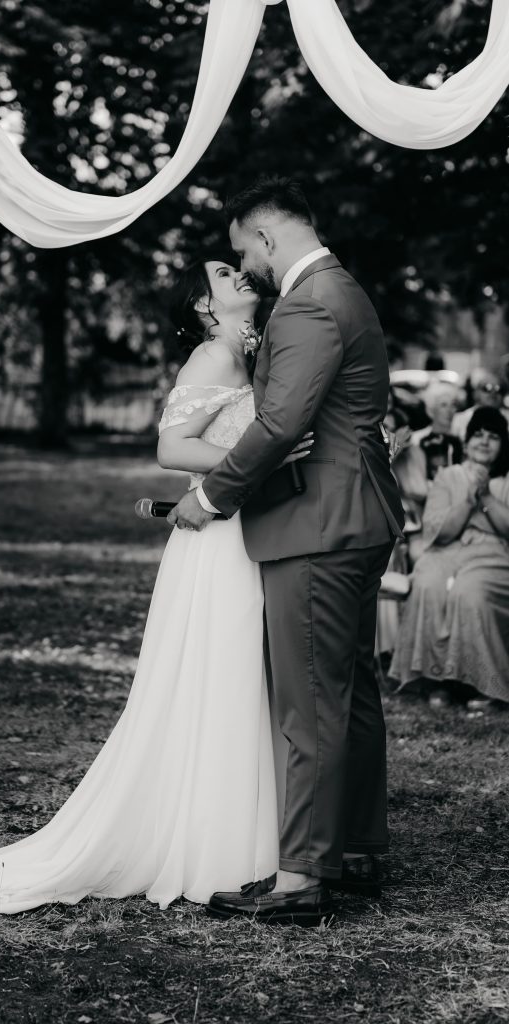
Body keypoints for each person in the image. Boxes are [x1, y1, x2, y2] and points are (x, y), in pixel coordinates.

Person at [0, 254, 311, 920]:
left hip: (237, 534)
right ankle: (220, 849)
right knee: (220, 679)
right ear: (205, 306)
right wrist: (268, 452)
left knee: (234, 682)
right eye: (224, 275)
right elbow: (170, 451)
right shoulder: (213, 359)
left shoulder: (246, 356)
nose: (238, 277)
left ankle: (244, 837)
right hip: (216, 543)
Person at [169, 176, 405, 923]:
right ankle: (357, 847)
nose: (249, 267)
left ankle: (303, 876)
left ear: (269, 237)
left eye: (246, 251)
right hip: (354, 516)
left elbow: (276, 426)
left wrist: (206, 498)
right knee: (350, 691)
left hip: (316, 524)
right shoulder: (346, 292)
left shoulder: (308, 303)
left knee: (309, 702)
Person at [389, 407, 509, 708]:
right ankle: (437, 681)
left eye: (493, 437)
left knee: (469, 593)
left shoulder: (506, 480)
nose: (484, 442)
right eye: (478, 435)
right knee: (429, 584)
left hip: (494, 552)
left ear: (503, 445)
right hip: (447, 549)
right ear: (466, 443)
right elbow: (439, 531)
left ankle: (485, 686)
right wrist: (469, 498)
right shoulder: (448, 476)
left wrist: (486, 498)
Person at [412, 381, 463, 481]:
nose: (449, 410)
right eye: (443, 405)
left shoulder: (460, 439)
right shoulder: (416, 439)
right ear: (431, 409)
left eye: (453, 405)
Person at [451, 368, 509, 440]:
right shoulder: (459, 420)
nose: (493, 393)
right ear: (476, 393)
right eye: (487, 388)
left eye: (499, 389)